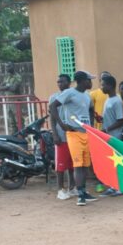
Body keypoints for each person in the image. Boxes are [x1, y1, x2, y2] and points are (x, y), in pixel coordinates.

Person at [49, 70, 97, 207]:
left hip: (85, 133)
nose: (91, 83)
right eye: (89, 80)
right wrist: (62, 124)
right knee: (77, 164)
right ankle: (80, 195)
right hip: (74, 133)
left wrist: (91, 126)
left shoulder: (87, 96)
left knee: (84, 165)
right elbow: (53, 106)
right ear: (82, 81)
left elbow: (91, 111)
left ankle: (82, 190)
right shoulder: (69, 93)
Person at [48, 72, 75, 200]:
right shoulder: (54, 98)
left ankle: (72, 187)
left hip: (74, 135)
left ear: (69, 83)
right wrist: (55, 134)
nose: (60, 84)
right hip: (61, 136)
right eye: (58, 82)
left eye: (63, 81)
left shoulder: (73, 96)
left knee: (72, 164)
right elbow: (52, 119)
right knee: (60, 165)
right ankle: (60, 189)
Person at [100, 75, 123, 196]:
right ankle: (112, 186)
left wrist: (107, 129)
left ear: (110, 86)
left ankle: (120, 188)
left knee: (117, 162)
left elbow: (120, 120)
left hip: (115, 136)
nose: (101, 87)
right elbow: (110, 118)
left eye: (103, 84)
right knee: (111, 163)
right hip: (109, 136)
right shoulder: (108, 100)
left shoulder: (117, 101)